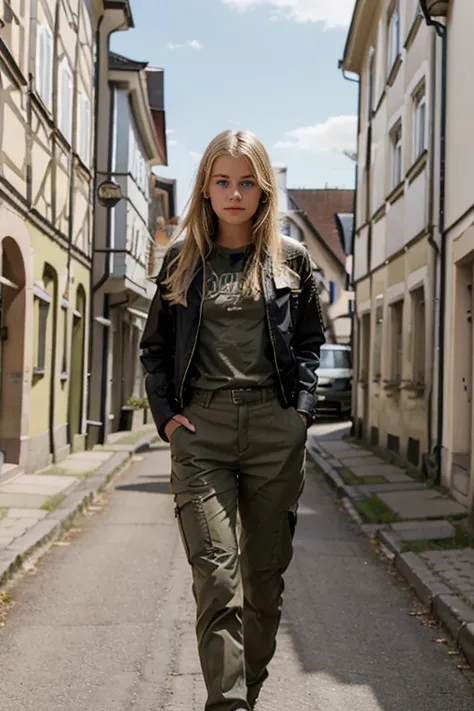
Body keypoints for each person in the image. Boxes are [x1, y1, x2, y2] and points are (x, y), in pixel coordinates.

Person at [140, 129, 325, 711]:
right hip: (203, 436)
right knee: (217, 579)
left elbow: (311, 344)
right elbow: (155, 349)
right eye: (222, 181)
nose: (234, 193)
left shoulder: (290, 260)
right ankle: (229, 706)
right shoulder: (183, 259)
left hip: (275, 431)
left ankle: (249, 688)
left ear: (264, 188)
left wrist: (299, 414)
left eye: (247, 182)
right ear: (205, 187)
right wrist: (168, 418)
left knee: (263, 587)